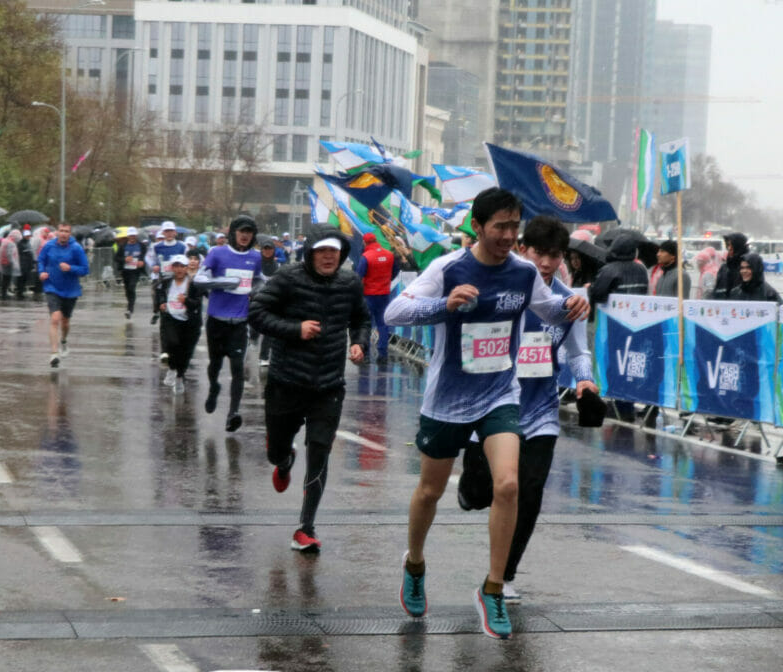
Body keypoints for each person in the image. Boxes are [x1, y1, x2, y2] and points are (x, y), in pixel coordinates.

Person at [383, 188, 589, 639]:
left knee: (510, 484)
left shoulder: (522, 271)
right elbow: (394, 311)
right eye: (500, 227)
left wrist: (574, 305)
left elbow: (551, 310)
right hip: (448, 399)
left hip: (501, 393)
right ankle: (414, 562)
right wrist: (444, 304)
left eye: (515, 227)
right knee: (430, 491)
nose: (509, 236)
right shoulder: (448, 267)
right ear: (477, 227)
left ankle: (493, 588)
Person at [462, 216, 597, 604]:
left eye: (555, 255)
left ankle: (503, 575)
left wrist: (584, 379)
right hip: (489, 406)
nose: (547, 262)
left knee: (528, 491)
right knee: (481, 491)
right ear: (523, 249)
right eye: (539, 252)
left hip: (540, 412)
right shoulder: (502, 290)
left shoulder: (571, 301)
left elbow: (577, 350)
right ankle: (471, 492)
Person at [249, 224, 370, 552]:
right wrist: (294, 329)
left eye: (334, 251)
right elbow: (256, 313)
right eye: (322, 251)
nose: (329, 257)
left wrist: (359, 344)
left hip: (328, 385)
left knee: (320, 452)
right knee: (276, 449)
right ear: (310, 253)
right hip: (286, 381)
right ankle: (284, 458)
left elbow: (362, 319)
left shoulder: (349, 282)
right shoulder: (288, 278)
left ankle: (306, 528)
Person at [194, 214, 264, 432]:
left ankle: (233, 413)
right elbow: (199, 280)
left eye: (249, 232)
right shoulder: (217, 253)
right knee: (215, 364)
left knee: (237, 368)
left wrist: (258, 289)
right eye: (241, 231)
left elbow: (259, 278)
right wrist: (225, 282)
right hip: (216, 320)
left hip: (239, 322)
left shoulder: (255, 257)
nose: (245, 236)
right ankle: (214, 387)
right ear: (233, 232)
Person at [588, 234, 648, 422]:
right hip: (637, 324)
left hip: (614, 326)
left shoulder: (609, 269)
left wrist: (589, 288)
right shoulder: (641, 269)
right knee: (630, 365)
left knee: (614, 364)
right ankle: (626, 404)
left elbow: (597, 294)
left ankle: (617, 404)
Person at [37, 223, 90, 368]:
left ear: (70, 233)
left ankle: (64, 341)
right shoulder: (49, 246)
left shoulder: (76, 248)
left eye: (66, 231)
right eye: (61, 231)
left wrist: (71, 268)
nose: (63, 234)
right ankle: (54, 354)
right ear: (57, 232)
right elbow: (41, 260)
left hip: (70, 290)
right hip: (52, 287)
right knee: (55, 318)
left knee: (65, 322)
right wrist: (41, 272)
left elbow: (85, 269)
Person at [158, 254, 204, 393]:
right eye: (176, 266)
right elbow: (159, 295)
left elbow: (197, 304)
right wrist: (161, 304)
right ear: (172, 268)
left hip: (189, 323)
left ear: (186, 268)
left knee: (186, 353)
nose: (179, 270)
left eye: (182, 266)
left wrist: (186, 301)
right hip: (171, 319)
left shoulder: (194, 284)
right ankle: (172, 369)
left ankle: (179, 378)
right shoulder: (166, 282)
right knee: (172, 343)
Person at [355, 232, 400, 361]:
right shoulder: (389, 254)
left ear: (365, 243)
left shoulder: (366, 256)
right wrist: (387, 280)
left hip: (369, 294)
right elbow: (395, 271)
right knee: (383, 324)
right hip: (384, 293)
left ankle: (367, 355)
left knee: (366, 324)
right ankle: (383, 354)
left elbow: (358, 276)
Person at [146, 221, 187, 327]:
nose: (169, 234)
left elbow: (187, 259)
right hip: (163, 278)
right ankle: (159, 315)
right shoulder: (156, 246)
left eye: (171, 231)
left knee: (176, 298)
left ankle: (178, 317)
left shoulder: (182, 246)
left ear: (175, 233)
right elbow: (149, 258)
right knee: (159, 296)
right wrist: (153, 266)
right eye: (166, 231)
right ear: (163, 233)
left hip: (178, 279)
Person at [252, 238, 280, 367]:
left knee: (269, 330)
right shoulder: (256, 263)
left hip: (271, 302)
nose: (267, 251)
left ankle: (264, 356)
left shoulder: (277, 266)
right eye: (265, 249)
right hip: (256, 300)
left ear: (273, 250)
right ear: (261, 250)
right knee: (254, 329)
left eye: (270, 249)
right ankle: (250, 353)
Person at [115, 227, 146, 319]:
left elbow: (146, 257)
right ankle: (129, 304)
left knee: (132, 287)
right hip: (125, 271)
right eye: (131, 235)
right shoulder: (122, 246)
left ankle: (130, 309)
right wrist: (124, 259)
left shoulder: (141, 246)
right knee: (128, 289)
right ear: (128, 236)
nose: (132, 237)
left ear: (136, 236)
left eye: (134, 235)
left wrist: (142, 262)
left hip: (135, 271)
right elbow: (116, 258)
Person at [712, 232, 748, 299]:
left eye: (732, 246)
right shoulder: (724, 268)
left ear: (739, 246)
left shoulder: (748, 268)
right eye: (728, 245)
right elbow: (717, 290)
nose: (729, 248)